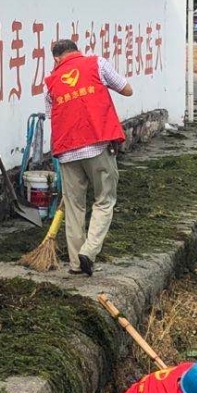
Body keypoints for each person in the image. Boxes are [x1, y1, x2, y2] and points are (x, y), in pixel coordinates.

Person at [44, 38, 132, 276]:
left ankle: (75, 264)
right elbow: (127, 89)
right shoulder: (97, 64)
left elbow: (52, 116)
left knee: (74, 207)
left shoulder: (50, 83)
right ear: (77, 51)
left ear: (56, 58)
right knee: (104, 200)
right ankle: (89, 251)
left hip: (67, 151)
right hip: (98, 144)